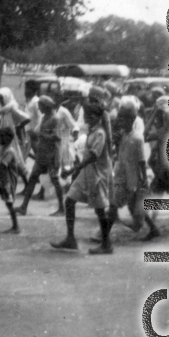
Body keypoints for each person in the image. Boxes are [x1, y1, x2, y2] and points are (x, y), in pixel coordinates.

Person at [51, 101, 114, 254]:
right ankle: (70, 238)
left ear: (98, 117)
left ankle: (106, 244)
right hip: (87, 172)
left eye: (90, 116)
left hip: (97, 174)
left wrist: (73, 169)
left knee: (99, 209)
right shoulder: (94, 130)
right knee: (70, 200)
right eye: (86, 115)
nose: (87, 118)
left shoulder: (100, 133)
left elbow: (93, 155)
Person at [107, 104, 159, 242]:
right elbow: (120, 154)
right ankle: (153, 229)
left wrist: (143, 181)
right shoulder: (124, 135)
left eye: (122, 119)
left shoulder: (137, 138)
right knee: (134, 205)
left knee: (114, 203)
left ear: (130, 120)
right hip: (123, 174)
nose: (119, 122)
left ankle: (103, 236)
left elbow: (141, 161)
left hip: (132, 177)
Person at [16, 96, 64, 216]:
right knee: (33, 178)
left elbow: (57, 137)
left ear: (46, 106)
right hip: (42, 154)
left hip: (52, 155)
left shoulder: (55, 118)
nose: (39, 108)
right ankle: (24, 206)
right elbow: (39, 131)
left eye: (40, 106)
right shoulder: (45, 117)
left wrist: (42, 135)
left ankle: (61, 208)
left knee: (55, 180)